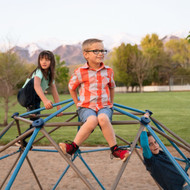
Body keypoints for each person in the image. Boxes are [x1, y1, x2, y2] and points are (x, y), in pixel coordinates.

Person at [59, 38, 130, 161]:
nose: (101, 53)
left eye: (103, 50)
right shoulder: (80, 72)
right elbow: (71, 88)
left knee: (102, 118)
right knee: (92, 120)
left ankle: (115, 150)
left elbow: (112, 87)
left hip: (104, 106)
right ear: (86, 54)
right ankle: (73, 147)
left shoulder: (108, 71)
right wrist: (78, 104)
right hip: (86, 107)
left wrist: (111, 103)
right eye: (96, 51)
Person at [17, 50, 62, 147]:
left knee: (37, 123)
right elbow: (36, 86)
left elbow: (54, 91)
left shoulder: (50, 75)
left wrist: (59, 108)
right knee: (35, 83)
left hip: (34, 99)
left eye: (47, 60)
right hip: (24, 95)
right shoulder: (39, 71)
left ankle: (21, 139)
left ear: (52, 62)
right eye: (41, 59)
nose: (44, 62)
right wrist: (45, 101)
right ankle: (20, 138)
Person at [140, 120, 190, 190]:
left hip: (186, 181)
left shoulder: (161, 153)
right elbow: (145, 145)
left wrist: (149, 125)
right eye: (150, 144)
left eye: (155, 142)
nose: (155, 145)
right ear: (142, 149)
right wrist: (143, 125)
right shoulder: (151, 161)